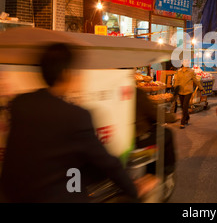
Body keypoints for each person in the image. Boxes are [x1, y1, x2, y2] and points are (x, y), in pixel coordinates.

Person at [0, 43, 140, 203]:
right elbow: (107, 163)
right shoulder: (76, 116)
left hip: (11, 195)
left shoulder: (20, 103)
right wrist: (133, 189)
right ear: (66, 73)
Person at [173, 61, 204, 129]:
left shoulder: (191, 71)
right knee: (182, 106)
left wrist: (201, 88)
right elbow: (176, 81)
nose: (186, 63)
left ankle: (183, 122)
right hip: (180, 91)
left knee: (185, 106)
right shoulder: (178, 71)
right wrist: (175, 89)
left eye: (187, 61)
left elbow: (196, 80)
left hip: (188, 91)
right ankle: (187, 117)